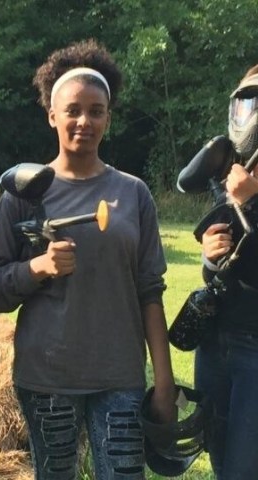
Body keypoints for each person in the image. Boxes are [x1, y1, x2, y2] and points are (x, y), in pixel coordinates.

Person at [0, 39, 176, 479]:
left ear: (108, 117)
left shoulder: (133, 193)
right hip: (47, 377)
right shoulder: (25, 191)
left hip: (120, 375)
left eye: (96, 110)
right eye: (73, 110)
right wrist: (36, 269)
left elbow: (150, 290)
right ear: (52, 116)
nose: (84, 120)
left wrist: (163, 380)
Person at [194, 64, 258, 480]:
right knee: (220, 460)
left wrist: (250, 204)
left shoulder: (242, 187)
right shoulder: (234, 175)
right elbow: (224, 267)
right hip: (215, 343)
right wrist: (209, 257)